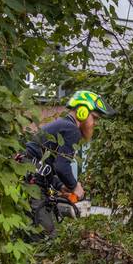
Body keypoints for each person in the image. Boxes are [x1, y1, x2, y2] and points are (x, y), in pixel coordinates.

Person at [23, 90, 112, 234]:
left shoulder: (64, 125)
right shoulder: (72, 130)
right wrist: (75, 186)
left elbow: (46, 166)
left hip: (28, 175)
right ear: (82, 112)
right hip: (30, 181)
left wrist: (61, 186)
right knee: (45, 233)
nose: (94, 123)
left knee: (32, 229)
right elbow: (61, 166)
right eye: (94, 118)